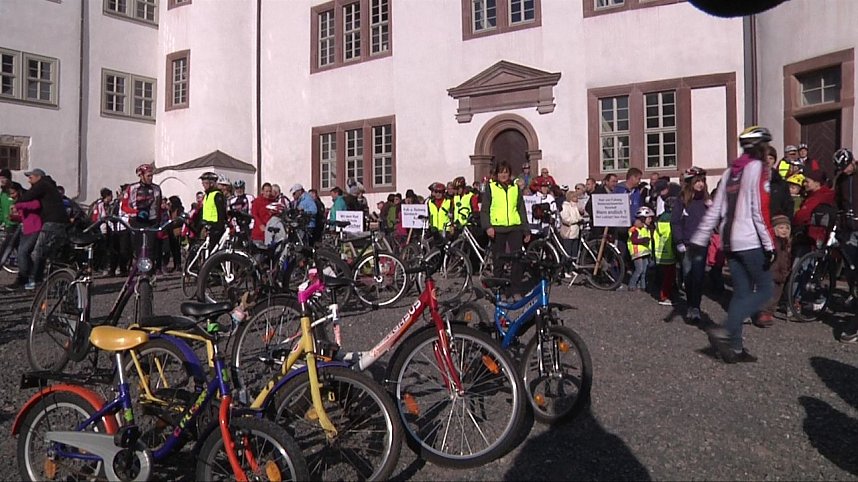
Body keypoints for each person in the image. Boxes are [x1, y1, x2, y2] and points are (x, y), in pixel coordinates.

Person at [691, 126, 776, 364]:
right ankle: (727, 330)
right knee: (766, 290)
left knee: (741, 293)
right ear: (761, 147)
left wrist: (699, 239)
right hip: (750, 240)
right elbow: (760, 209)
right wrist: (769, 244)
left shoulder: (731, 172)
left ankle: (736, 348)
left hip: (728, 241)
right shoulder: (758, 168)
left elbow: (715, 209)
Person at [481, 161, 530, 295]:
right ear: (497, 174)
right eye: (501, 172)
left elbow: (521, 209)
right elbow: (485, 209)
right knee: (498, 260)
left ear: (510, 174)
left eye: (506, 172)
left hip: (515, 227)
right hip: (497, 228)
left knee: (517, 259)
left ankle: (515, 289)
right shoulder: (491, 188)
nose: (503, 175)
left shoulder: (515, 188)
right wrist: (488, 226)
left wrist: (526, 229)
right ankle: (500, 289)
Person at [17, 168, 69, 288]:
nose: (29, 180)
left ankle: (36, 280)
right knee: (49, 253)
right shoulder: (49, 185)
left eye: (31, 177)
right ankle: (52, 280)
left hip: (52, 222)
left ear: (38, 177)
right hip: (58, 222)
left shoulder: (42, 185)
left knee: (39, 252)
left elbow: (29, 196)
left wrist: (17, 202)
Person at [671, 167, 710, 322]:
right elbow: (675, 222)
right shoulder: (682, 200)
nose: (700, 184)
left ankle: (696, 307)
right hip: (686, 244)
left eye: (702, 181)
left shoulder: (706, 200)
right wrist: (679, 240)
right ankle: (689, 305)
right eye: (697, 181)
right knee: (688, 276)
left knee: (698, 276)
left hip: (701, 244)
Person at [830, 148, 858, 343]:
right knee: (851, 267)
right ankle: (853, 294)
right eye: (842, 168)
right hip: (849, 229)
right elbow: (839, 201)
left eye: (847, 166)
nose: (845, 170)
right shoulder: (841, 180)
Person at [121, 163, 163, 269]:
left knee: (150, 249)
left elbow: (158, 207)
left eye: (151, 175)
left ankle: (149, 272)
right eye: (148, 176)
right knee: (138, 248)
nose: (151, 178)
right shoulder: (132, 188)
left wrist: (159, 222)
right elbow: (124, 206)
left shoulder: (157, 189)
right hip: (137, 221)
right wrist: (136, 212)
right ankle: (138, 269)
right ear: (141, 175)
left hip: (152, 222)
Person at [756, 214, 792, 327]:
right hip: (772, 273)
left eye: (787, 228)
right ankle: (763, 314)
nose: (784, 230)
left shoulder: (786, 244)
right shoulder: (774, 243)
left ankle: (768, 312)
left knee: (776, 295)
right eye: (781, 228)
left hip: (781, 274)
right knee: (769, 295)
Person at [793, 167, 835, 254]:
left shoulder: (819, 197)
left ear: (817, 183)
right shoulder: (817, 194)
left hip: (814, 235)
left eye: (807, 181)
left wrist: (793, 223)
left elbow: (802, 215)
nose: (804, 184)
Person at [627, 206, 654, 292]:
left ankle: (643, 286)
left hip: (645, 252)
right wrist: (644, 240)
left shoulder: (645, 228)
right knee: (639, 270)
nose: (650, 220)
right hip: (637, 253)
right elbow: (634, 240)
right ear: (643, 218)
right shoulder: (635, 229)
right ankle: (632, 285)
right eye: (649, 218)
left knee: (645, 271)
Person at [200, 171, 227, 245]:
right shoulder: (207, 195)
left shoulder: (217, 195)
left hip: (216, 226)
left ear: (211, 183)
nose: (203, 185)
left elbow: (221, 212)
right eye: (203, 183)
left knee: (213, 247)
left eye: (205, 183)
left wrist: (220, 227)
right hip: (207, 225)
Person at [559, 189, 583, 262]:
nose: (577, 198)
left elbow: (580, 216)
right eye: (575, 197)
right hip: (568, 232)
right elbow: (566, 219)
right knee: (567, 251)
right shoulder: (565, 206)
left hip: (576, 232)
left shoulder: (576, 206)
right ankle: (566, 266)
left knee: (574, 252)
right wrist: (577, 220)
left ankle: (573, 265)